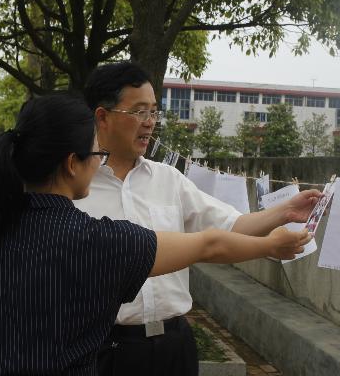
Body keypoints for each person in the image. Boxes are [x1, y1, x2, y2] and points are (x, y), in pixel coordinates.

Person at [0, 93, 312, 375]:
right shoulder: (103, 243)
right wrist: (270, 245)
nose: (99, 161)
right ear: (72, 164)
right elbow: (208, 244)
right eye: (95, 155)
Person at [75, 62, 322, 376]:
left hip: (174, 345)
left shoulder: (168, 180)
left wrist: (286, 211)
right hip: (104, 349)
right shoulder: (76, 187)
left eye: (154, 112)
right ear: (102, 116)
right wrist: (269, 246)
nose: (150, 123)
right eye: (139, 112)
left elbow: (230, 226)